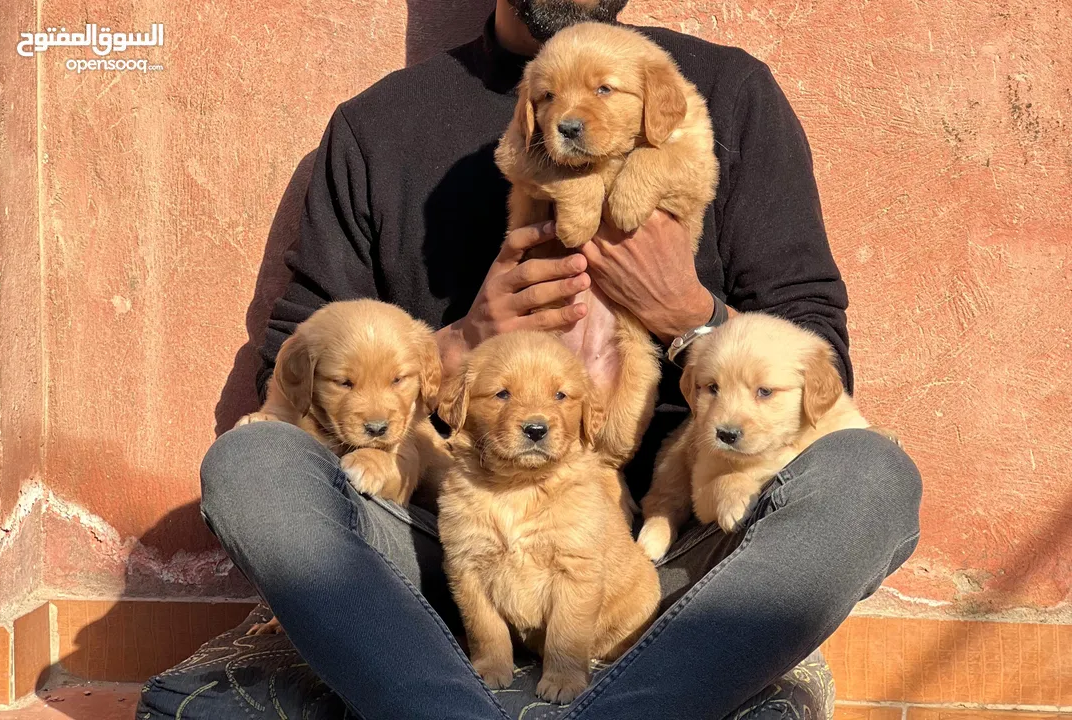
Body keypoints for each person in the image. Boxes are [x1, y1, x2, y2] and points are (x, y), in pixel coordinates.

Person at [200, 1, 922, 718]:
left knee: (870, 478)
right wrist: (458, 345)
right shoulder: (380, 125)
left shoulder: (725, 96)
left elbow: (817, 354)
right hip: (441, 557)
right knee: (252, 463)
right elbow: (291, 377)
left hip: (689, 570)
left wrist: (689, 319)